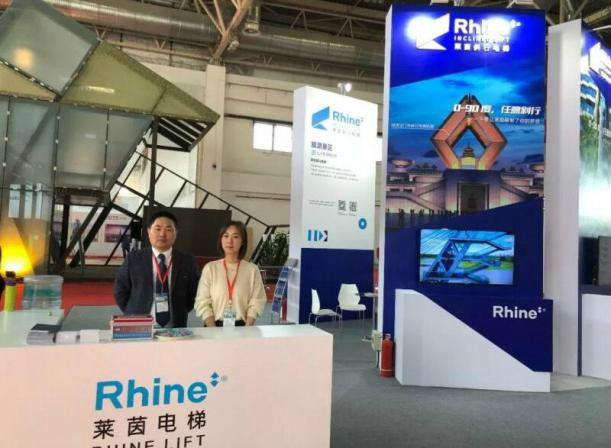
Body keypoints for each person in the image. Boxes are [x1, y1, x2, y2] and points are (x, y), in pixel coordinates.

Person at [113, 210, 200, 328]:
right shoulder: (134, 259)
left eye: (168, 229)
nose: (162, 234)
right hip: (139, 325)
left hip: (174, 327)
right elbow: (120, 290)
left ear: (176, 233)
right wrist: (133, 310)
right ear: (149, 232)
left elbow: (193, 294)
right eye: (158, 229)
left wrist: (180, 311)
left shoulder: (187, 261)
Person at [194, 221, 267, 327]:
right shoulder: (210, 268)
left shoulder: (252, 270)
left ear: (243, 241)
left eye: (235, 237)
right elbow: (202, 301)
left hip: (243, 327)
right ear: (221, 240)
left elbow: (257, 301)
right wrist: (212, 329)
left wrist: (247, 329)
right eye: (226, 236)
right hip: (213, 326)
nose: (230, 241)